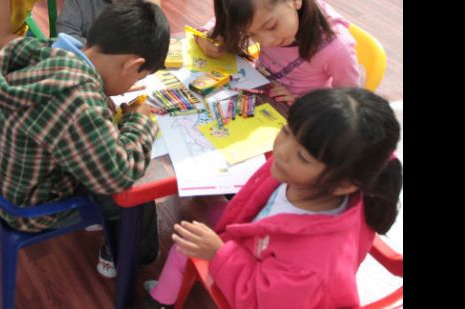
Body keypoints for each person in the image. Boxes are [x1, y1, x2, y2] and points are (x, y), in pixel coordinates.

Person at [140, 87, 402, 309]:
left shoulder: (311, 269)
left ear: (343, 185)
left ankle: (160, 302)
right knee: (212, 207)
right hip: (258, 239)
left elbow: (258, 301)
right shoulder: (335, 171)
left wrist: (218, 254)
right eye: (286, 131)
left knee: (183, 247)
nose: (282, 151)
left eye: (303, 157)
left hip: (258, 282)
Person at [0, 0, 170, 278]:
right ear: (132, 66)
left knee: (103, 155)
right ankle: (138, 257)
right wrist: (138, 119)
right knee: (137, 190)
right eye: (136, 79)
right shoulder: (77, 98)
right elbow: (119, 174)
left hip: (2, 175)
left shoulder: (48, 49)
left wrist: (100, 100)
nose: (130, 86)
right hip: (30, 206)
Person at [195, 0, 360, 104]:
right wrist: (205, 36)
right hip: (262, 95)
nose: (266, 41)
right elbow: (222, 22)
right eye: (250, 34)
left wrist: (300, 102)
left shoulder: (336, 48)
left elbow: (348, 106)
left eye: (271, 27)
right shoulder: (267, 13)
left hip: (303, 114)